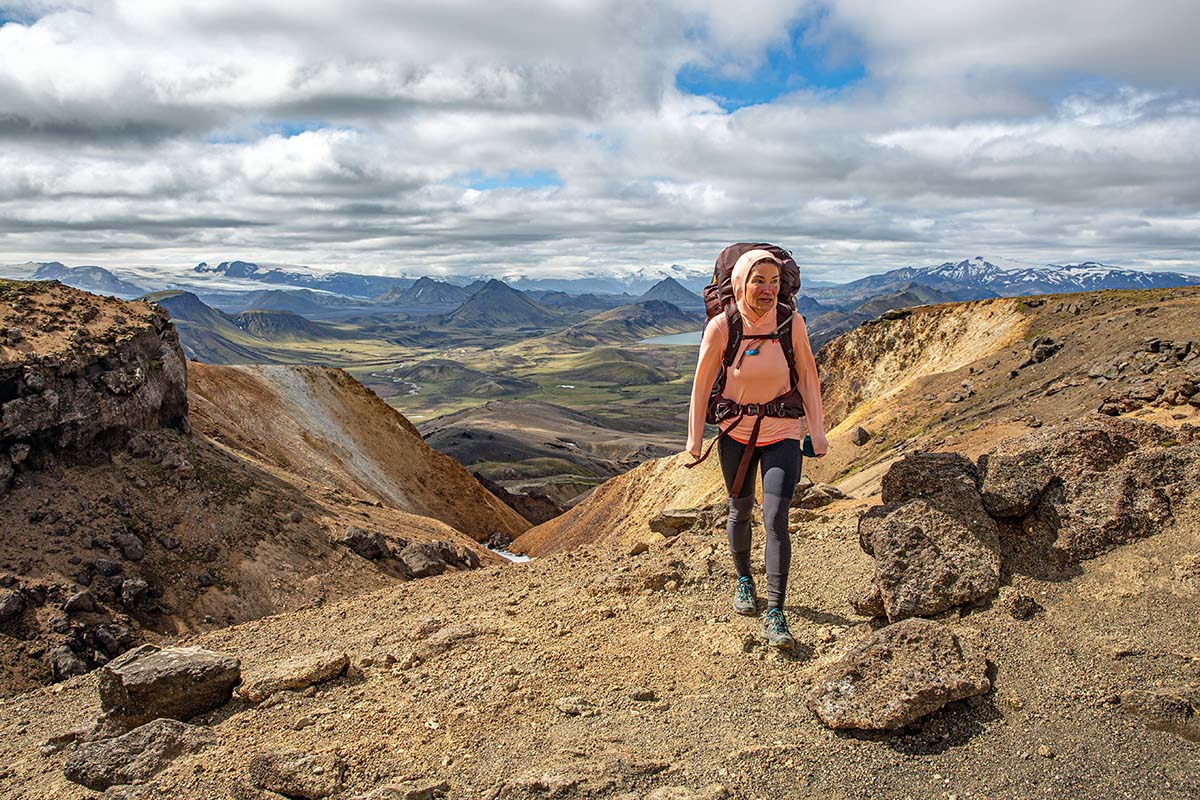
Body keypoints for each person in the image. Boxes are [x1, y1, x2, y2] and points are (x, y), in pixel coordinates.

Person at [686, 248, 828, 649]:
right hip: (736, 433)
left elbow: (808, 376)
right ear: (740, 284)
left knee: (776, 517)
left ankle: (776, 613)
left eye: (775, 282)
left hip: (783, 431)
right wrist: (694, 438)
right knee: (740, 510)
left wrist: (817, 432)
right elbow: (701, 384)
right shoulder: (722, 326)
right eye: (759, 281)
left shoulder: (790, 323)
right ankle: (744, 580)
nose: (768, 290)